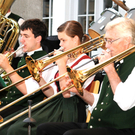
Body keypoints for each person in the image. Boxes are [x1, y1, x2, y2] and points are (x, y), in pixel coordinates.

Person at [35, 17, 135, 135]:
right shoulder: (116, 61)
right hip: (100, 124)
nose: (107, 46)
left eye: (110, 40)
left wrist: (110, 70)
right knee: (44, 129)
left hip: (122, 129)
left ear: (127, 41)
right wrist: (79, 91)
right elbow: (101, 102)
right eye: (106, 40)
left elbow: (125, 103)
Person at [0, 20, 95, 135]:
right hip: (54, 104)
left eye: (63, 40)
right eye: (60, 40)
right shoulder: (64, 59)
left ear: (75, 39)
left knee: (16, 130)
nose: (60, 45)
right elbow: (51, 94)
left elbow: (66, 94)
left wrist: (61, 65)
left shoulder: (87, 63)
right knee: (6, 125)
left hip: (69, 109)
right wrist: (39, 79)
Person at [0, 18, 48, 118]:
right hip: (11, 102)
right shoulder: (26, 55)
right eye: (21, 36)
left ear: (38, 39)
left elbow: (27, 91)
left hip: (23, 106)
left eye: (26, 36)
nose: (21, 40)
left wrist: (8, 67)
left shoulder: (43, 59)